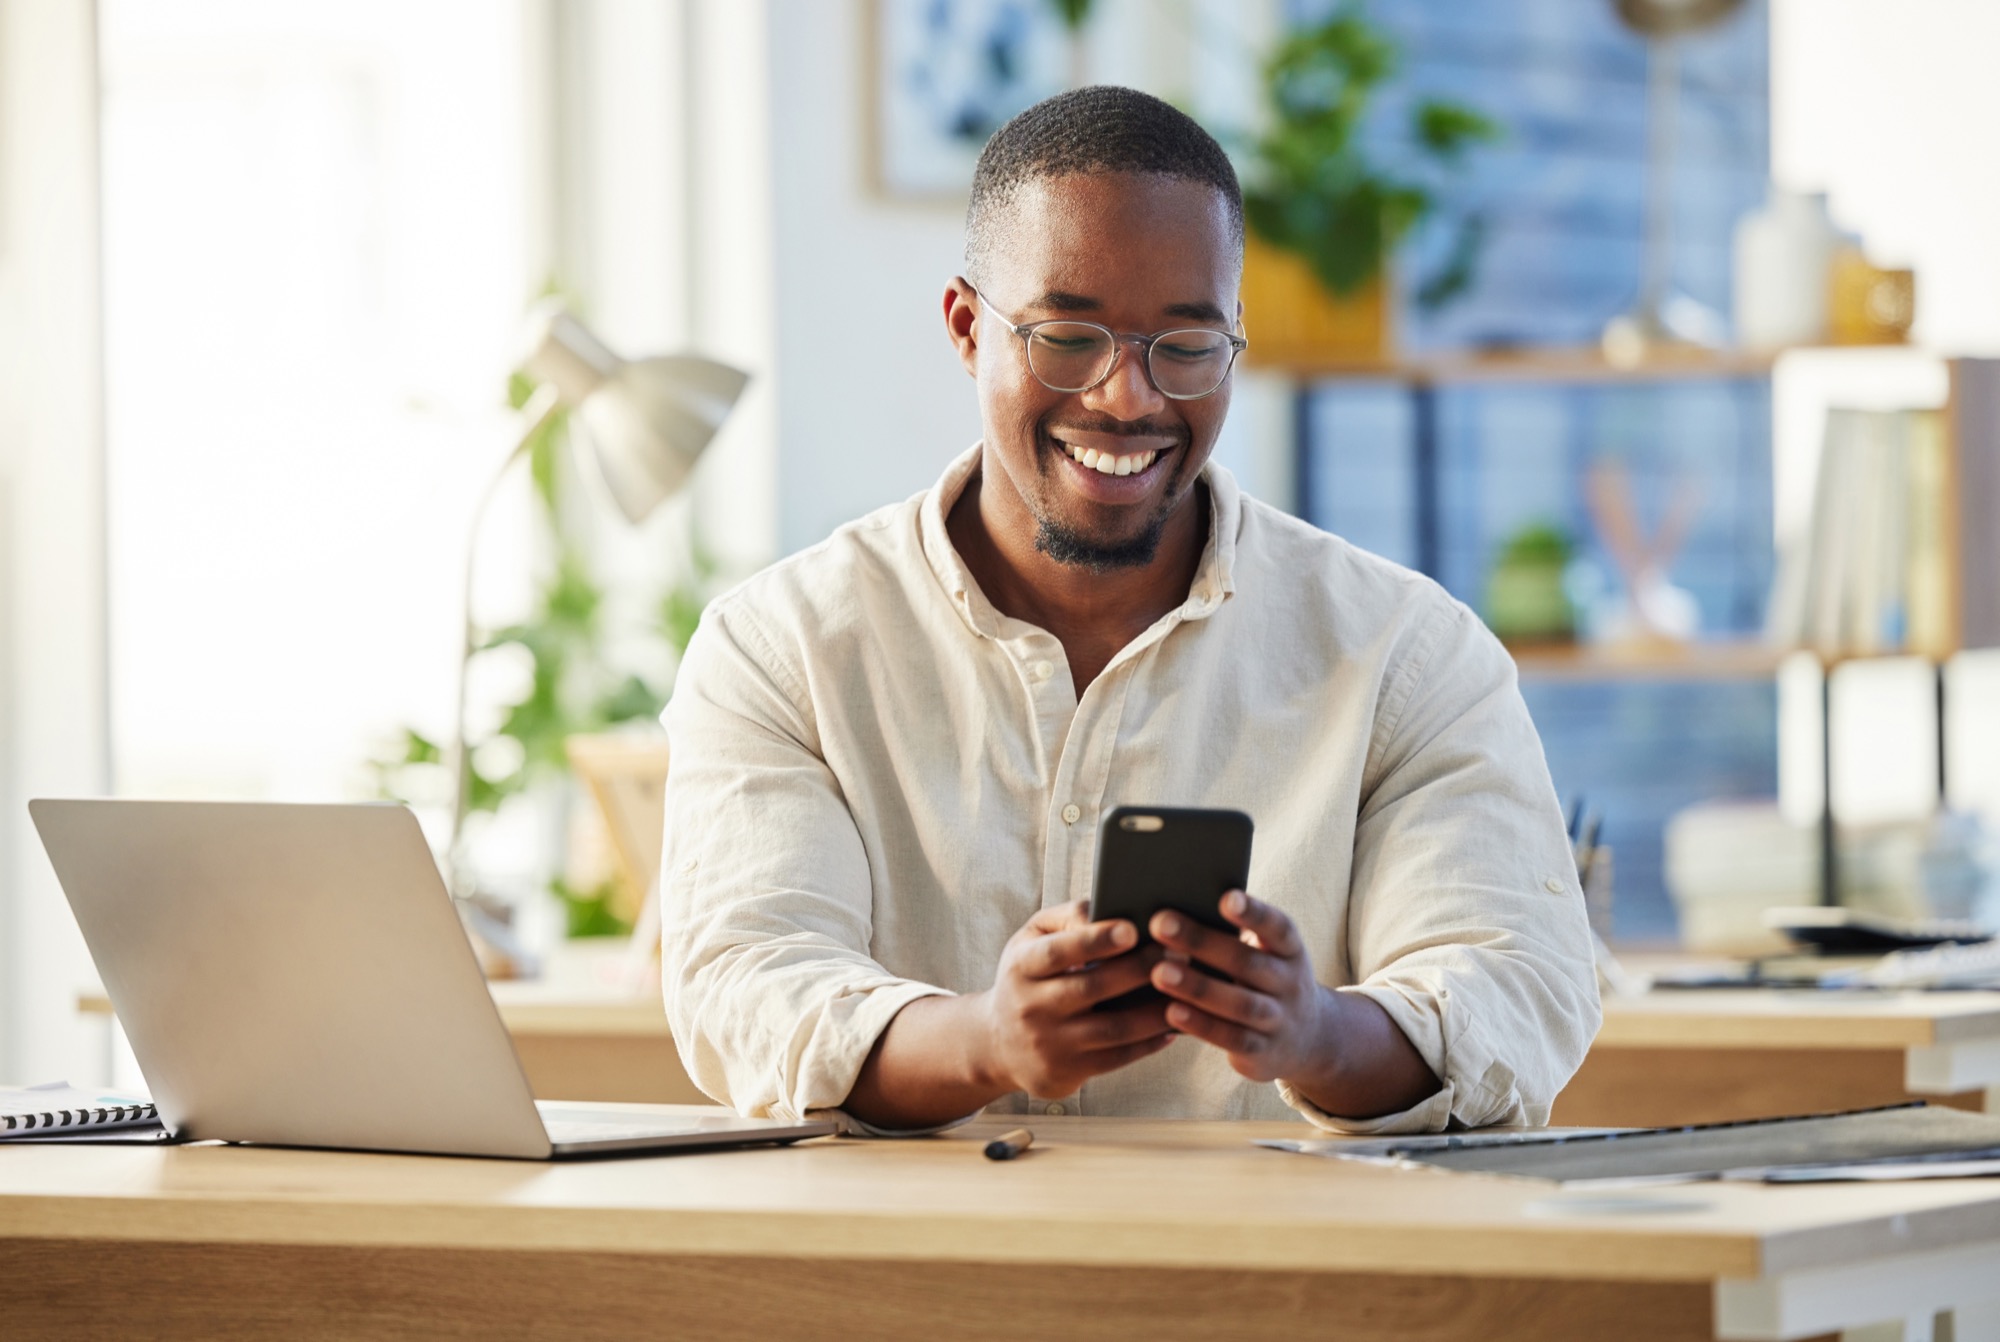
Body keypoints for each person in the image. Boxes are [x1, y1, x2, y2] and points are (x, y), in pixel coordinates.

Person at [660, 85, 1599, 1135]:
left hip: (1281, 1285)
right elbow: (744, 981)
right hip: (906, 1281)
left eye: (1185, 347)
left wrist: (1315, 1033)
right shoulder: (782, 646)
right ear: (967, 328)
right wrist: (985, 1041)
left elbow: (1517, 989)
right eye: (1067, 337)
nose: (1127, 398)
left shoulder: (1407, 656)